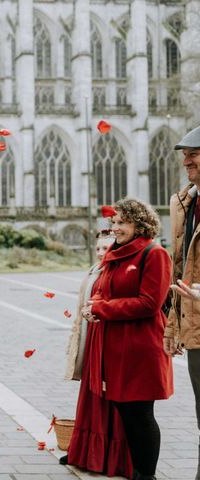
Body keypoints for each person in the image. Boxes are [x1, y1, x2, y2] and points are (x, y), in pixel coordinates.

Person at [79, 198, 173, 480]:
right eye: (114, 222)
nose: (116, 228)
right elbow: (103, 289)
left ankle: (146, 475)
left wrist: (101, 309)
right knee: (125, 411)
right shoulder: (115, 254)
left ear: (139, 223)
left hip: (141, 348)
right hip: (116, 347)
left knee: (140, 413)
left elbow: (148, 304)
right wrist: (93, 304)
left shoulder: (154, 254)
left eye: (123, 222)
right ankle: (137, 471)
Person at [64, 229, 134, 478]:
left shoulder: (117, 271)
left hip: (107, 339)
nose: (102, 253)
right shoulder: (95, 269)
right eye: (99, 249)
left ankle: (108, 455)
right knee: (91, 396)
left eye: (107, 248)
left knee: (107, 398)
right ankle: (84, 451)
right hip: (92, 336)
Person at [166, 124, 200, 480]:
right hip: (195, 324)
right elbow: (180, 268)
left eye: (194, 154)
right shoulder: (186, 203)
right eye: (185, 156)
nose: (186, 161)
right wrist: (172, 324)